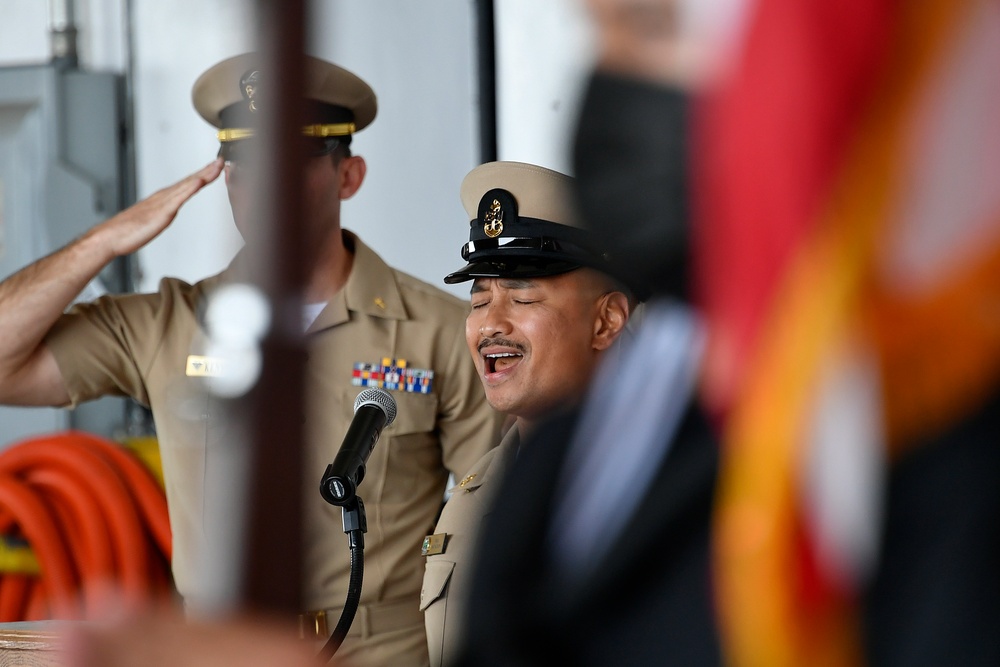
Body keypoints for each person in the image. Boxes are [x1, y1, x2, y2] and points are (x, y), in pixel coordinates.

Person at [0, 53, 502, 667]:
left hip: (382, 651)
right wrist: (103, 240)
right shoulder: (166, 323)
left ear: (349, 175)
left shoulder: (441, 330)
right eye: (244, 166)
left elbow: (502, 513)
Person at [418, 160, 640, 666]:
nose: (490, 325)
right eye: (478, 299)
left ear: (606, 321)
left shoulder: (657, 493)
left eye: (521, 296)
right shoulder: (475, 495)